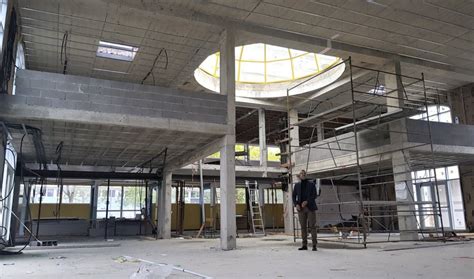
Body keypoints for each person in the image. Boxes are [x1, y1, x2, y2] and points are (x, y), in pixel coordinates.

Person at [292, 170, 318, 251]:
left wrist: (307, 201)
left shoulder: (311, 184)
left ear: (306, 175)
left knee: (312, 226)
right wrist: (296, 204)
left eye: (304, 174)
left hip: (310, 208)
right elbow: (293, 196)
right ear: (299, 176)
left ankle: (314, 245)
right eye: (301, 174)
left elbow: (314, 195)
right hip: (301, 209)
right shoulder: (297, 185)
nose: (303, 175)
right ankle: (304, 245)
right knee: (303, 227)